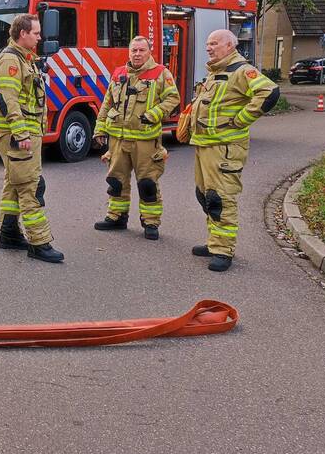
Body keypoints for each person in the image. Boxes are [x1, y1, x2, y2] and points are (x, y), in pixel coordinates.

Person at [187, 29, 279, 272]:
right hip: (205, 145)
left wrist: (241, 120)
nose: (209, 47)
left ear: (229, 45)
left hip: (224, 148)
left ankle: (223, 251)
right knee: (205, 196)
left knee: (220, 199)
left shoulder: (240, 70)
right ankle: (215, 242)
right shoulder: (215, 72)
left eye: (214, 43)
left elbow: (269, 92)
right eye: (208, 43)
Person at [92, 36, 180, 240]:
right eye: (134, 50)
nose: (137, 54)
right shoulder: (119, 73)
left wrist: (154, 114)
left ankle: (150, 223)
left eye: (141, 50)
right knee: (116, 182)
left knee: (147, 184)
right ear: (129, 52)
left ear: (150, 52)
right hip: (118, 139)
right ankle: (116, 217)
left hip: (146, 141)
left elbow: (173, 98)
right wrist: (99, 129)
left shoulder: (160, 73)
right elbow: (107, 102)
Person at [0, 13, 64, 264]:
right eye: (36, 33)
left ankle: (9, 234)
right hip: (18, 135)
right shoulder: (11, 61)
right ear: (22, 34)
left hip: (24, 132)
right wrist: (21, 133)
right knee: (30, 186)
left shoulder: (25, 59)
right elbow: (7, 99)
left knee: (15, 182)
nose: (40, 37)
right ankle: (39, 242)